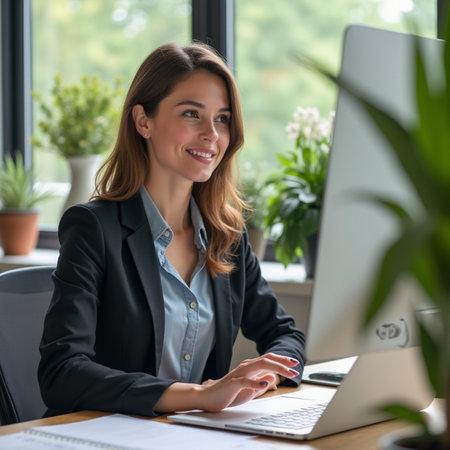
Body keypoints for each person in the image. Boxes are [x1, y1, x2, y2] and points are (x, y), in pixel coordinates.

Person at [38, 41, 306, 418]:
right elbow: (61, 372)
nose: (212, 134)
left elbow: (286, 336)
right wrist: (197, 395)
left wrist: (262, 377)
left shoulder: (225, 234)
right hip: (108, 434)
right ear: (143, 121)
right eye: (192, 114)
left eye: (223, 118)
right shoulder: (93, 228)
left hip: (194, 435)